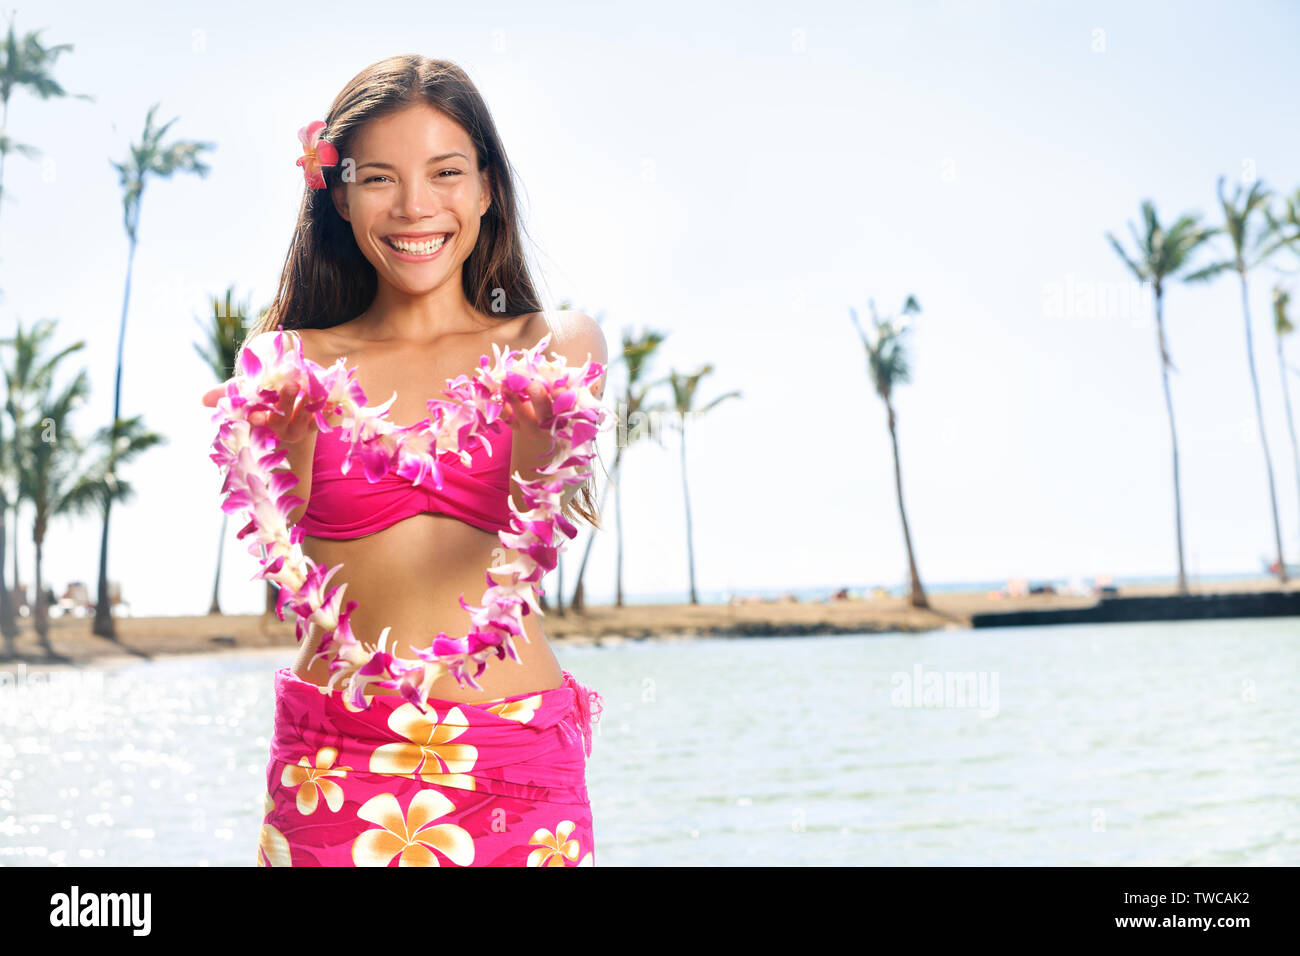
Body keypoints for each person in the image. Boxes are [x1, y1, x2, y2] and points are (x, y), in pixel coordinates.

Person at [201, 56, 608, 867]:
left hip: (515, 755)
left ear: (488, 188)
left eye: (446, 172)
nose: (416, 206)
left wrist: (531, 436)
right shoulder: (286, 361)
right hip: (336, 760)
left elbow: (539, 522)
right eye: (381, 177)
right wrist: (297, 437)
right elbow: (288, 560)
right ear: (339, 192)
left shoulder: (553, 344)